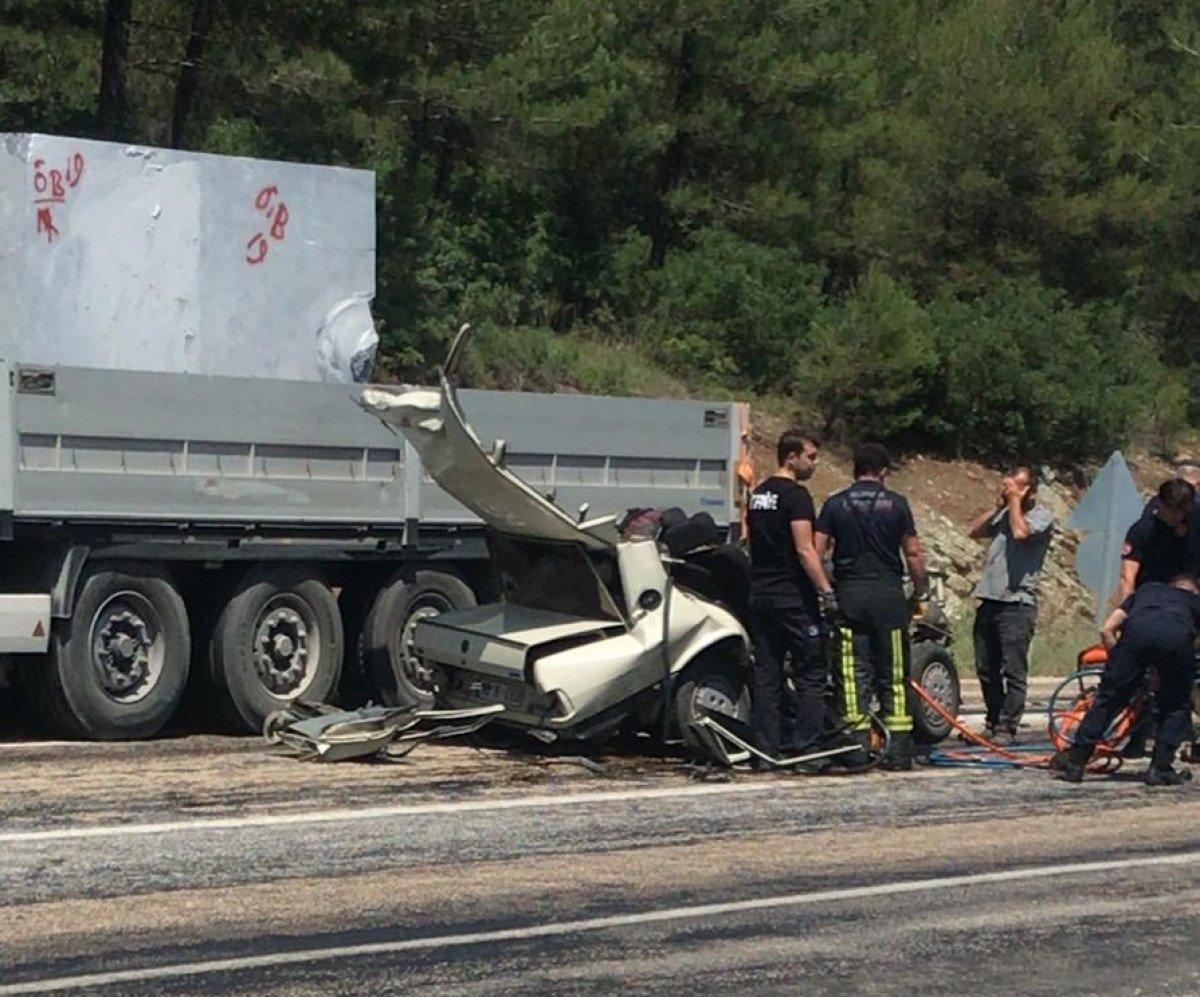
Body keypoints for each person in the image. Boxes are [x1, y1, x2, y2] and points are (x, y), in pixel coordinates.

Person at [815, 442, 926, 770]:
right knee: (893, 672)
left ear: (855, 470)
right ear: (883, 471)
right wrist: (919, 590)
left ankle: (855, 747)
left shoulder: (835, 505)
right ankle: (899, 751)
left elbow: (817, 553)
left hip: (850, 594)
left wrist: (826, 591)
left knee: (851, 673)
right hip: (888, 597)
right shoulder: (897, 505)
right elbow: (914, 554)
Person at [1051, 574, 1200, 786]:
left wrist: (1119, 664)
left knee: (1107, 699)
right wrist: (1167, 671)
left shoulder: (1146, 591)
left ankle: (1076, 762)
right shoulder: (1194, 601)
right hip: (1175, 641)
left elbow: (1106, 629)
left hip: (1135, 638)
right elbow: (1191, 643)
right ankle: (1160, 768)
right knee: (1176, 705)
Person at [745, 429, 833, 762]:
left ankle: (765, 748)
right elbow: (805, 549)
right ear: (791, 457)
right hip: (792, 597)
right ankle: (808, 747)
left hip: (761, 594)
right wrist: (825, 590)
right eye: (810, 456)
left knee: (768, 672)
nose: (815, 463)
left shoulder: (758, 494)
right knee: (810, 671)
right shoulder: (797, 496)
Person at [965, 465, 1054, 744]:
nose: (1010, 491)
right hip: (991, 599)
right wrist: (997, 507)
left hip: (1017, 603)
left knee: (1012, 669)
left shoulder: (1041, 516)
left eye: (1017, 486)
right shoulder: (1004, 514)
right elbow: (974, 531)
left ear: (1030, 490)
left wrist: (1015, 502)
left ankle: (1007, 726)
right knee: (986, 667)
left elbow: (1020, 533)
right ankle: (992, 721)